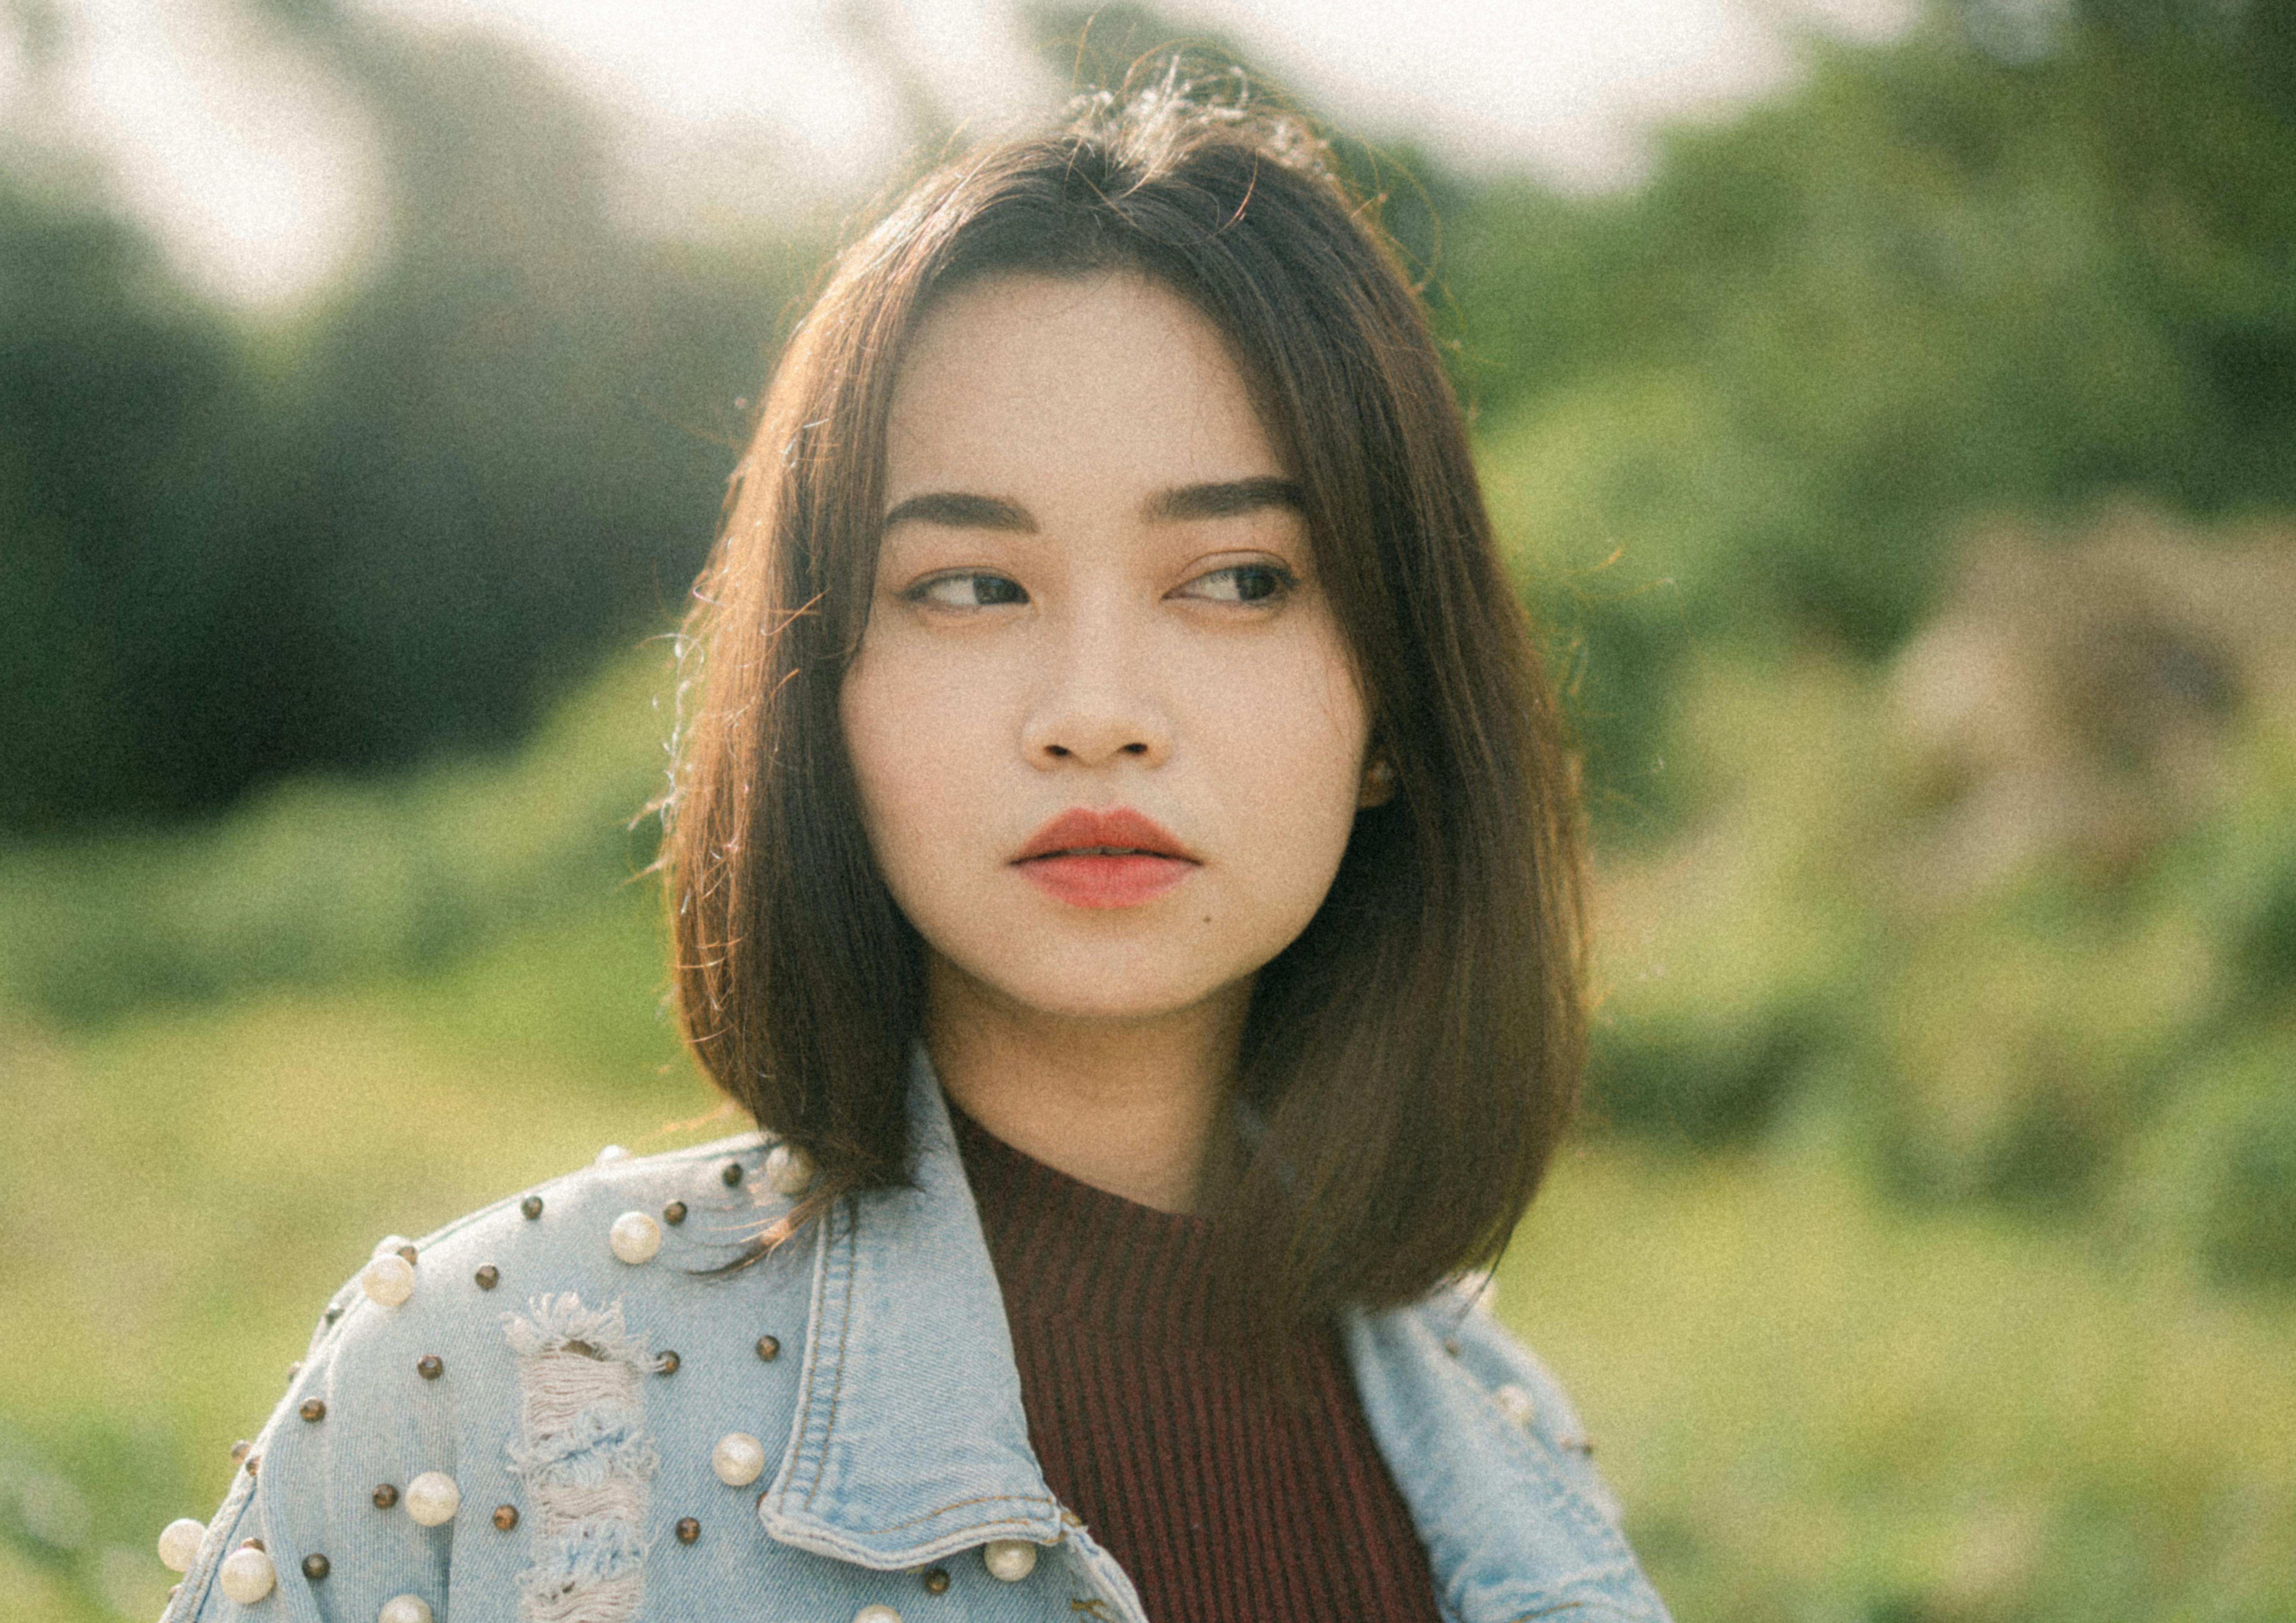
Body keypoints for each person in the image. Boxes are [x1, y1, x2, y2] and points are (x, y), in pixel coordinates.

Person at [152, 82, 1672, 1623]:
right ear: (824, 689)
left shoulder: (1509, 1442)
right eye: (968, 587)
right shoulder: (492, 1389)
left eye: (1233, 577)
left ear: (1398, 704)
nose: (1095, 716)